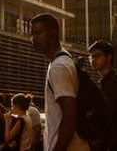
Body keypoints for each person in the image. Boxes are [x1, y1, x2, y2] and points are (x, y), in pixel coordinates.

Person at [30, 12, 89, 151]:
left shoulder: (59, 66)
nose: (33, 38)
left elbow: (69, 115)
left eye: (38, 33)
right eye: (32, 34)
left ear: (53, 34)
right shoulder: (62, 61)